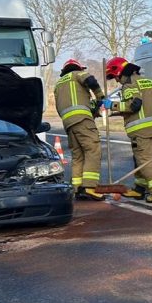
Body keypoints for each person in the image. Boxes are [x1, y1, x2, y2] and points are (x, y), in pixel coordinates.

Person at [105, 57, 152, 203]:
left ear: (119, 72)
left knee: (145, 161)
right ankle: (140, 188)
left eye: (115, 77)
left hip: (140, 130)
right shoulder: (147, 82)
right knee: (139, 159)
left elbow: (133, 105)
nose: (116, 81)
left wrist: (112, 105)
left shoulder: (129, 85)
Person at [53, 59, 107, 200]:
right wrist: (101, 97)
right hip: (82, 120)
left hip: (68, 122)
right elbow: (91, 81)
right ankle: (90, 187)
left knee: (78, 155)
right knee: (93, 149)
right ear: (77, 67)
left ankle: (77, 188)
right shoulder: (77, 74)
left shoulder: (58, 84)